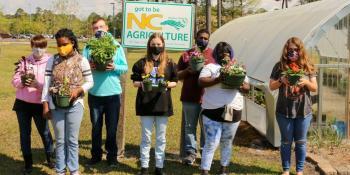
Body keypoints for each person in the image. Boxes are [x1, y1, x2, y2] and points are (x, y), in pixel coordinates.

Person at [42, 28, 93, 175]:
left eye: (64, 44)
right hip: (55, 104)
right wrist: (45, 104)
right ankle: (60, 170)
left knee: (72, 139)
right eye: (58, 45)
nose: (61, 48)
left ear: (72, 43)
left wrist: (79, 90)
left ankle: (74, 169)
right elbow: (46, 83)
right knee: (60, 140)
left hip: (75, 105)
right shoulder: (52, 60)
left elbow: (90, 81)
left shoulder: (82, 60)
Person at [82, 17, 128, 167]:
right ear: (92, 30)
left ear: (107, 28)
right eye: (96, 28)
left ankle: (112, 157)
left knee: (112, 128)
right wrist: (89, 65)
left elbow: (124, 68)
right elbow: (82, 66)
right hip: (95, 93)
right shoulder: (89, 46)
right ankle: (96, 155)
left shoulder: (115, 46)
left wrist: (114, 67)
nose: (99, 30)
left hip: (113, 94)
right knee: (96, 127)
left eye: (101, 26)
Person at [199, 42, 249, 175]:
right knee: (211, 142)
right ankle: (205, 170)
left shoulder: (236, 68)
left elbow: (246, 88)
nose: (224, 55)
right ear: (216, 54)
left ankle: (224, 169)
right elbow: (201, 82)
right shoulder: (210, 67)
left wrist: (237, 83)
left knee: (227, 141)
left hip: (233, 111)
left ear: (231, 55)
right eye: (221, 53)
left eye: (226, 53)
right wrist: (219, 79)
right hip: (211, 111)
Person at [130, 32, 178, 175]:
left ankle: (159, 167)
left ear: (163, 45)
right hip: (146, 104)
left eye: (158, 44)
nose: (156, 47)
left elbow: (175, 81)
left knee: (161, 138)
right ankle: (144, 167)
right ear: (149, 46)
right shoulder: (141, 62)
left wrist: (167, 84)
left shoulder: (170, 63)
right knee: (146, 137)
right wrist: (143, 84)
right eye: (153, 45)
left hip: (162, 104)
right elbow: (134, 83)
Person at [269, 37, 317, 175]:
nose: (293, 52)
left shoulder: (308, 65)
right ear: (286, 50)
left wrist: (306, 82)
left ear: (300, 50)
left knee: (301, 142)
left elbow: (315, 88)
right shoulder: (279, 66)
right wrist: (281, 80)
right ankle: (286, 170)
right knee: (286, 141)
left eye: (296, 50)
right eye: (290, 50)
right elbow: (271, 86)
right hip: (284, 111)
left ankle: (300, 171)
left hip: (303, 111)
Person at [12, 35, 54, 174]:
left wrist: (38, 85)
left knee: (45, 132)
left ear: (46, 47)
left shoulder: (51, 61)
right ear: (31, 46)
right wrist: (22, 82)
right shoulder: (24, 61)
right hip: (22, 104)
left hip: (40, 103)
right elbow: (15, 81)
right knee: (25, 134)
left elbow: (53, 85)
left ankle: (51, 158)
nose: (38, 49)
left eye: (41, 46)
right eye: (35, 46)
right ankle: (28, 164)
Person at [177, 29, 214, 165]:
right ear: (195, 38)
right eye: (200, 38)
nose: (203, 40)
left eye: (205, 38)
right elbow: (177, 74)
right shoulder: (187, 55)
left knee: (206, 128)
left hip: (208, 98)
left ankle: (205, 154)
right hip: (189, 96)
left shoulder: (213, 55)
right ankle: (191, 153)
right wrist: (187, 71)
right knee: (189, 126)